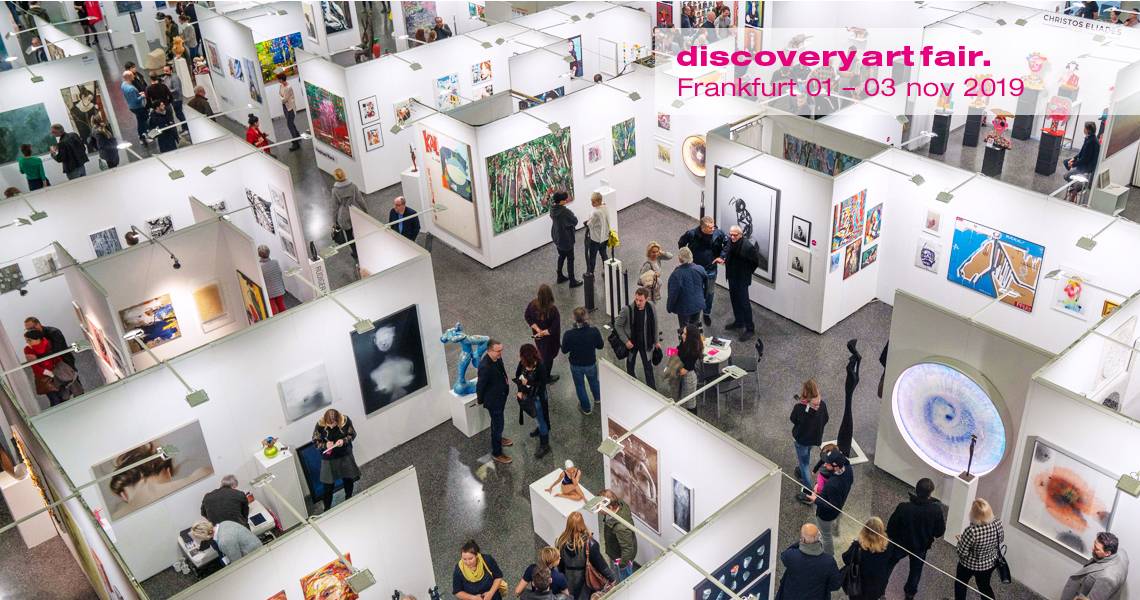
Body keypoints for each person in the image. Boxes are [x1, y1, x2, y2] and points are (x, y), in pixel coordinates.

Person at [886, 477, 946, 600]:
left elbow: (891, 527)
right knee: (916, 571)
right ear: (930, 493)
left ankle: (881, 587)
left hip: (900, 544)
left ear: (916, 490)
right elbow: (939, 532)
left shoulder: (903, 507)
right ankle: (909, 594)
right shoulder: (935, 510)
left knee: (889, 564)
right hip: (921, 546)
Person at [677, 216, 728, 326]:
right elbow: (681, 244)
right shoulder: (691, 234)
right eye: (710, 227)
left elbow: (728, 244)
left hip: (711, 269)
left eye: (713, 226)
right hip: (695, 269)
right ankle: (694, 314)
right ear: (702, 228)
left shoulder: (718, 233)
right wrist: (685, 259)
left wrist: (722, 256)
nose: (713, 229)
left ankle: (706, 313)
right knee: (695, 292)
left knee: (709, 293)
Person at [774, 523, 842, 600]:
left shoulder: (792, 556)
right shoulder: (828, 561)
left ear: (802, 539)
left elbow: (783, 556)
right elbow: (836, 585)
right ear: (818, 537)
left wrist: (800, 543)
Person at [954, 498, 1004, 600]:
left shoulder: (971, 531)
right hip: (989, 564)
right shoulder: (998, 523)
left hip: (968, 565)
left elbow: (962, 553)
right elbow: (1000, 539)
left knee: (960, 584)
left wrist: (960, 541)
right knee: (984, 586)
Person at [557, 512, 615, 599]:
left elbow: (560, 566)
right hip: (585, 582)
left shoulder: (561, 542)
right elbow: (601, 565)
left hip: (568, 581)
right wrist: (612, 578)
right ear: (582, 524)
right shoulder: (590, 544)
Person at [311, 408, 360, 512]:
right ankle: (327, 509)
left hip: (344, 454)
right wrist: (325, 445)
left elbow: (352, 434)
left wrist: (344, 440)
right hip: (329, 458)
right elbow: (315, 442)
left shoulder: (345, 420)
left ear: (338, 420)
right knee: (328, 485)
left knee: (348, 478)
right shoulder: (320, 424)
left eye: (334, 424)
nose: (332, 427)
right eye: (329, 425)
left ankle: (349, 499)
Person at [614, 287, 662, 390]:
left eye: (641, 300)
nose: (638, 302)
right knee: (630, 364)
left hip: (646, 343)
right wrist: (626, 341)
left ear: (646, 299)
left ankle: (652, 389)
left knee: (648, 367)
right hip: (632, 343)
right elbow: (617, 325)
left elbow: (655, 324)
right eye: (636, 299)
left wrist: (656, 341)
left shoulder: (651, 307)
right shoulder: (627, 310)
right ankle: (631, 385)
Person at [808, 449, 853, 556]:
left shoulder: (833, 484)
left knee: (826, 535)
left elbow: (832, 506)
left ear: (836, 467)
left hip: (826, 515)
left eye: (828, 464)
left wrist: (816, 499)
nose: (824, 464)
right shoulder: (848, 468)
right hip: (840, 503)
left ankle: (829, 555)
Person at [790, 379, 828, 504]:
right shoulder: (823, 405)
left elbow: (793, 419)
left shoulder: (799, 408)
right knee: (806, 455)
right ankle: (802, 472)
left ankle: (808, 493)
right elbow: (826, 419)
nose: (818, 407)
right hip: (814, 439)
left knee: (804, 464)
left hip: (801, 440)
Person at [1061, 532, 1130, 600]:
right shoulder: (1121, 552)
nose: (1092, 548)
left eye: (1097, 549)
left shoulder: (1107, 579)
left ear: (1107, 553)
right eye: (1094, 544)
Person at [561, 306, 603, 415]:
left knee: (580, 386)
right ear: (586, 317)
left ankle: (586, 409)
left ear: (574, 318)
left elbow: (564, 350)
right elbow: (600, 346)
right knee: (594, 382)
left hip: (576, 365)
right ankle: (598, 398)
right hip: (590, 363)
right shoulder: (594, 331)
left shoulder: (568, 334)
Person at [477, 339, 513, 464]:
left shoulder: (497, 358)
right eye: (498, 351)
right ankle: (497, 453)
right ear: (489, 350)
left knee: (497, 423)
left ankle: (498, 439)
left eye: (501, 350)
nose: (500, 353)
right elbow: (480, 385)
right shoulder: (485, 367)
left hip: (501, 397)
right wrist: (480, 400)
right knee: (498, 425)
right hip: (494, 401)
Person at [841, 517, 893, 600]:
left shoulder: (858, 546)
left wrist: (855, 543)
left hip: (859, 586)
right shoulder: (888, 545)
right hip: (877, 585)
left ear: (865, 530)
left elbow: (845, 559)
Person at [724, 225, 760, 340]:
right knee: (734, 300)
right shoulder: (730, 241)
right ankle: (739, 321)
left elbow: (755, 262)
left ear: (740, 235)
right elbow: (727, 251)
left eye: (735, 235)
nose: (732, 237)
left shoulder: (748, 247)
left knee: (744, 303)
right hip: (732, 276)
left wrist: (747, 272)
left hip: (742, 279)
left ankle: (750, 329)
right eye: (731, 234)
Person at [516, 343, 551, 459]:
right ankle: (540, 429)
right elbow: (518, 376)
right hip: (528, 395)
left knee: (541, 420)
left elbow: (542, 384)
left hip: (538, 397)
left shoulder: (540, 366)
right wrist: (520, 390)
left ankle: (545, 444)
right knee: (537, 417)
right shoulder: (522, 364)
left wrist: (529, 383)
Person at [526, 284, 562, 383]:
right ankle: (546, 377)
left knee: (542, 352)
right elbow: (554, 327)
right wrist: (544, 332)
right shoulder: (553, 310)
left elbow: (527, 316)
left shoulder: (532, 305)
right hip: (550, 340)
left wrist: (538, 330)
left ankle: (542, 373)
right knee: (548, 358)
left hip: (538, 338)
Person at [599, 489, 638, 581]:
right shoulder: (619, 504)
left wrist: (622, 565)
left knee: (624, 582)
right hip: (616, 552)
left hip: (622, 560)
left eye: (600, 507)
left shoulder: (620, 527)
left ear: (610, 508)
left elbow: (627, 549)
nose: (598, 510)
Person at [666, 247, 707, 331]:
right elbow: (707, 285)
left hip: (684, 308)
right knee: (695, 327)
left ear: (680, 259)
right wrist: (703, 297)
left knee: (684, 330)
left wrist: (669, 307)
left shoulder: (676, 274)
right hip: (698, 304)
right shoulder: (700, 268)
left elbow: (673, 293)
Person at [331, 168, 366, 264]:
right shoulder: (353, 186)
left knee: (350, 235)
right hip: (354, 211)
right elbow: (360, 200)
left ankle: (355, 252)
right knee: (359, 232)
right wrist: (365, 211)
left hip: (343, 215)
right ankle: (364, 249)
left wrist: (334, 221)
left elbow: (334, 207)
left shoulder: (335, 190)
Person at [189, 519, 261, 564]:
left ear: (204, 536)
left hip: (255, 558)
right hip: (257, 545)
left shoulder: (224, 542)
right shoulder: (224, 523)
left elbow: (237, 562)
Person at [24, 329, 66, 406]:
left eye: (29, 340)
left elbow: (56, 357)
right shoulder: (28, 349)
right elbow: (35, 367)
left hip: (56, 373)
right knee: (54, 400)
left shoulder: (48, 343)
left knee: (63, 397)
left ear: (37, 339)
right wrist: (48, 373)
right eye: (26, 340)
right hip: (43, 378)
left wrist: (58, 369)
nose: (27, 342)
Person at [550, 191, 582, 287]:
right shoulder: (565, 212)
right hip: (566, 239)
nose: (566, 200)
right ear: (561, 201)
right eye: (564, 199)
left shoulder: (552, 209)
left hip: (557, 237)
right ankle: (572, 281)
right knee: (570, 259)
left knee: (561, 256)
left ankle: (559, 276)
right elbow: (575, 221)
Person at [674, 324, 703, 411]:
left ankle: (692, 418)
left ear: (691, 337)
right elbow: (678, 350)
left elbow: (684, 370)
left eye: (685, 334)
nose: (682, 335)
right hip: (684, 375)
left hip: (689, 378)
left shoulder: (693, 351)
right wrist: (670, 352)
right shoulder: (685, 342)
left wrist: (673, 366)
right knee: (685, 399)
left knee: (690, 403)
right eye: (683, 333)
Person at [584, 192, 610, 276]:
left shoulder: (596, 213)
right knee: (604, 254)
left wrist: (586, 222)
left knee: (592, 257)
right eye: (591, 201)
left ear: (599, 201)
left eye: (593, 202)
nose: (591, 203)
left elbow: (590, 224)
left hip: (595, 238)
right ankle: (607, 270)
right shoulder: (604, 207)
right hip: (604, 237)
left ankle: (591, 273)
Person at [258, 245, 286, 315]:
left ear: (259, 255)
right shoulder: (275, 262)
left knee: (273, 311)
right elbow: (279, 273)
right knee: (281, 307)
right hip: (279, 289)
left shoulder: (260, 267)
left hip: (269, 293)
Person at [276, 73, 302, 151]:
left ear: (281, 79)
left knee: (289, 124)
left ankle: (296, 143)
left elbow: (284, 99)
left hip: (290, 108)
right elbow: (280, 94)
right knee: (291, 123)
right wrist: (281, 98)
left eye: (278, 79)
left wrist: (281, 98)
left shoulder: (288, 87)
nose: (278, 81)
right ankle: (297, 136)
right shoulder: (281, 85)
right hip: (285, 107)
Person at [161, 64, 187, 133]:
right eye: (164, 71)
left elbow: (177, 89)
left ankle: (186, 128)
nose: (165, 72)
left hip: (177, 99)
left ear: (171, 70)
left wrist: (167, 91)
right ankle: (185, 127)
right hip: (172, 98)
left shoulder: (174, 78)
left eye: (167, 71)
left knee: (179, 114)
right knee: (178, 113)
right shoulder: (166, 77)